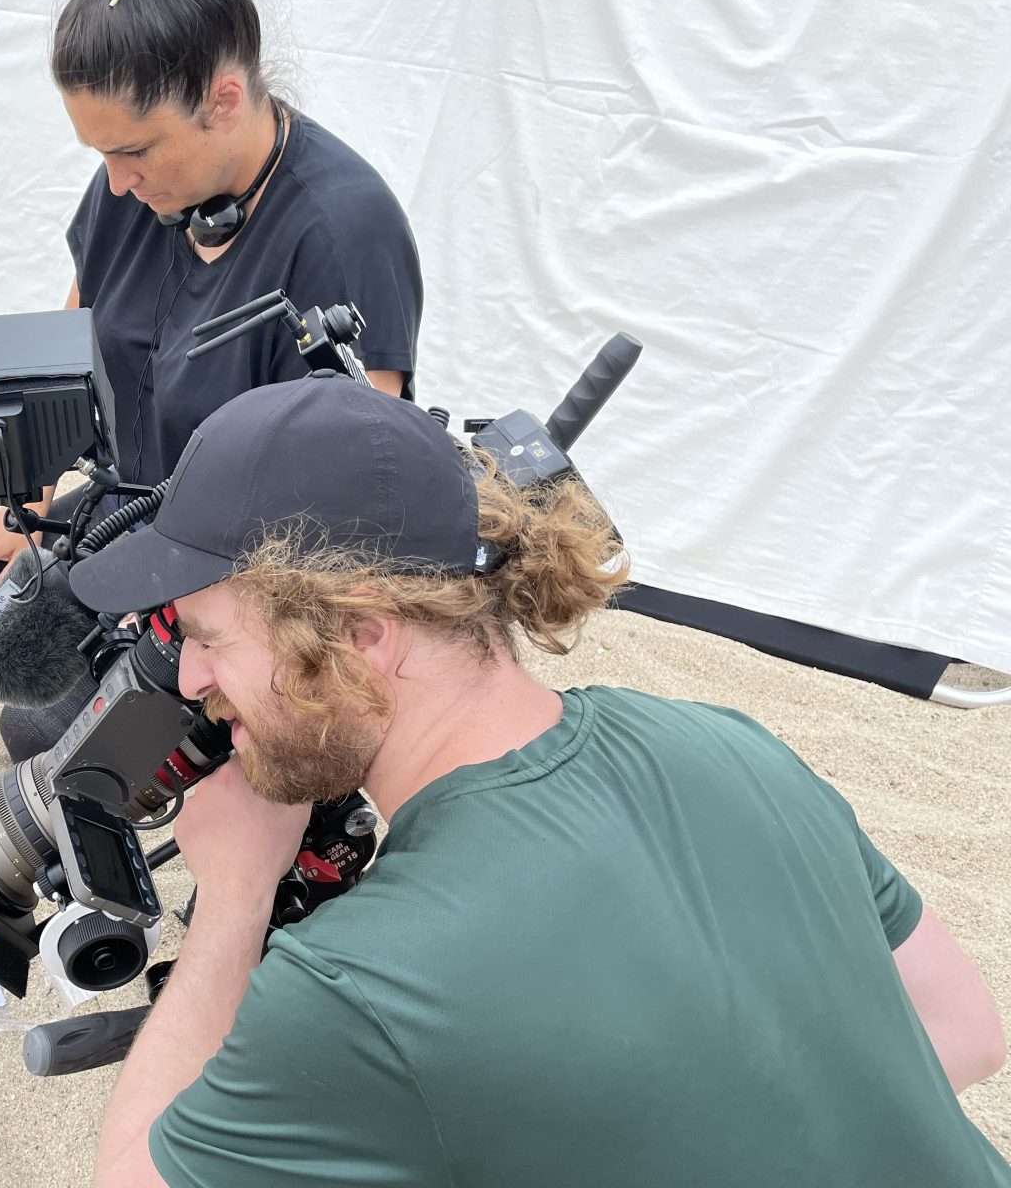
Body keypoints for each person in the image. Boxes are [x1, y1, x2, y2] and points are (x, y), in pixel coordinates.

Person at [65, 373, 1010, 1187]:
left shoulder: (358, 982)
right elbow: (966, 1029)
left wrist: (233, 903)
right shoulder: (727, 741)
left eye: (207, 637)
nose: (189, 680)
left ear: (359, 637)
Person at [0, 0, 424, 763]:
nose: (117, 182)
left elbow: (349, 495)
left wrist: (181, 613)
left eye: (134, 150)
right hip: (131, 510)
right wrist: (20, 512)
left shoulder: (341, 229)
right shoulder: (131, 188)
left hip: (241, 566)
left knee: (36, 725)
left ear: (224, 98)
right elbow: (69, 345)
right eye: (100, 155)